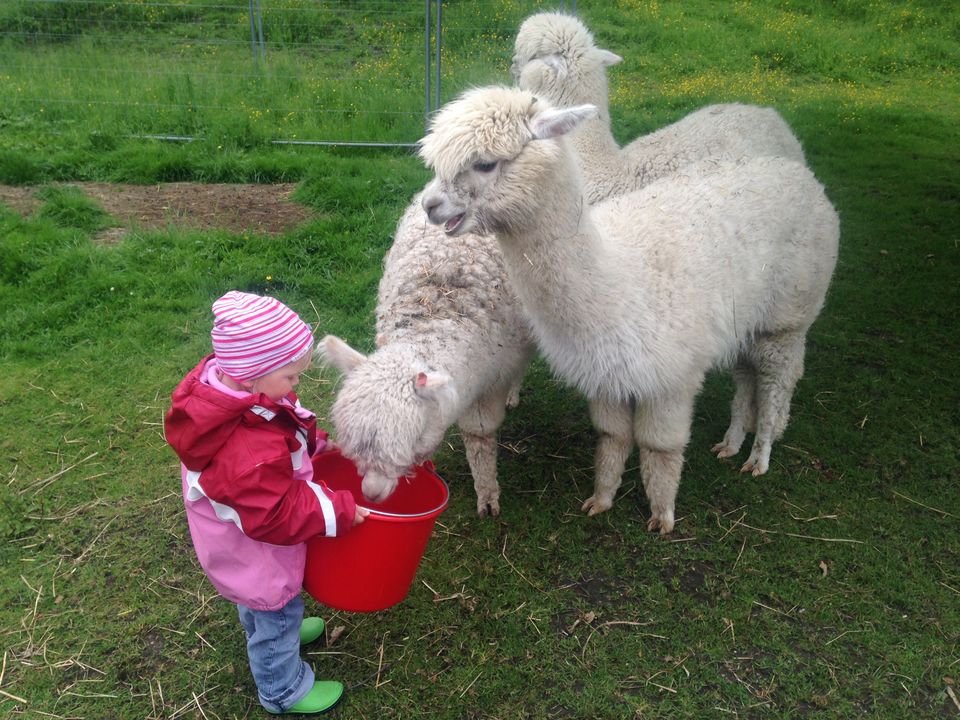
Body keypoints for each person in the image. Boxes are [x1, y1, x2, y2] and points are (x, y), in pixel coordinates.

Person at [164, 290, 369, 715]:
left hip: (238, 542)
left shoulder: (244, 397)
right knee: (275, 609)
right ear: (253, 375)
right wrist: (339, 509)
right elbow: (274, 512)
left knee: (264, 607)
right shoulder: (245, 450)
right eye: (291, 377)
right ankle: (282, 690)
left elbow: (284, 426)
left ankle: (273, 628)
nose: (297, 385)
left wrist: (318, 446)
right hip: (257, 549)